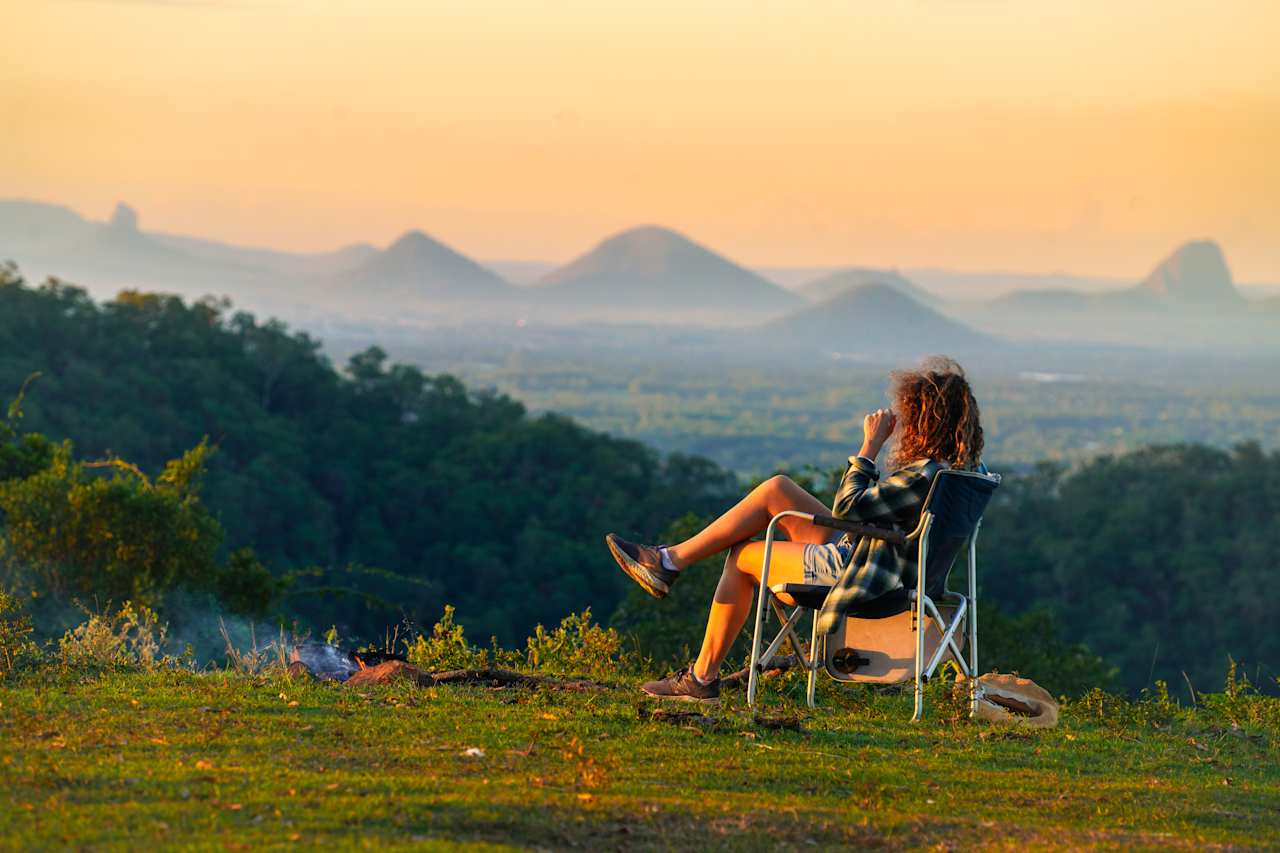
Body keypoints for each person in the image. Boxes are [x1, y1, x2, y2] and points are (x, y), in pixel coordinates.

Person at [605, 356, 984, 702]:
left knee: (744, 557)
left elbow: (848, 508)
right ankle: (668, 561)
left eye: (909, 415)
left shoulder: (926, 475)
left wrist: (868, 447)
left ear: (926, 423)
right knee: (778, 490)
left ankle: (702, 678)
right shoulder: (966, 474)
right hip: (889, 562)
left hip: (866, 574)